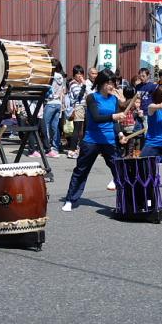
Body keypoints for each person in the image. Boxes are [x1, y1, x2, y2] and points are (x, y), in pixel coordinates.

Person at [62, 69, 126, 212]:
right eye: (109, 83)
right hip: (91, 140)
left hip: (109, 140)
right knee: (81, 170)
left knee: (120, 171)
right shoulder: (92, 98)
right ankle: (70, 200)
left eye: (113, 83)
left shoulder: (114, 99)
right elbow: (96, 118)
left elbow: (115, 123)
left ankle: (124, 202)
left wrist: (120, 133)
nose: (112, 86)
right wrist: (114, 116)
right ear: (102, 83)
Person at [44, 59, 65, 158]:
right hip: (58, 103)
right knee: (55, 126)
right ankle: (55, 147)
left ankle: (47, 146)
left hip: (50, 102)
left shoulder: (51, 76)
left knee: (46, 125)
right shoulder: (61, 77)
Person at [66, 65, 88, 159]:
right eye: (78, 74)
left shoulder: (78, 84)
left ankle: (77, 148)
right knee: (77, 129)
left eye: (81, 73)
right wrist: (84, 85)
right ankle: (72, 150)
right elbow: (78, 95)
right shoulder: (73, 84)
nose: (80, 76)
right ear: (74, 75)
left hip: (83, 107)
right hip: (78, 107)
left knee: (81, 130)